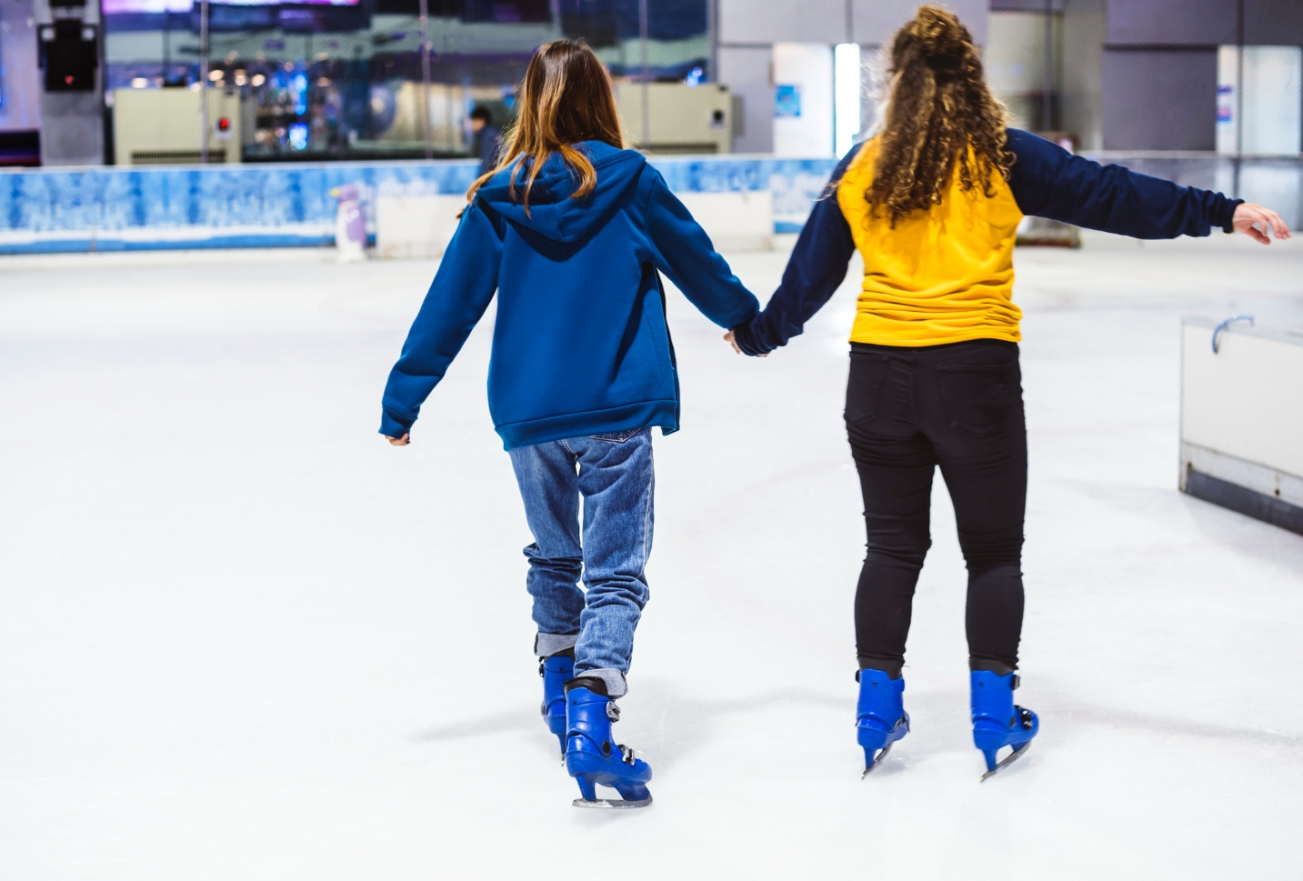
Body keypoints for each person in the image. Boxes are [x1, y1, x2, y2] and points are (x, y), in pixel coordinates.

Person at [727, 5, 1290, 780]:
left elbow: (806, 281)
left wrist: (757, 333)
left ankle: (874, 708)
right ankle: (992, 714)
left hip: (878, 382)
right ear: (970, 75)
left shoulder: (860, 166)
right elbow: (1111, 195)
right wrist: (1219, 211)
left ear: (894, 81)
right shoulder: (1000, 156)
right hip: (973, 379)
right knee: (991, 552)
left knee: (891, 547)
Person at [379, 39, 759, 807]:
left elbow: (447, 307)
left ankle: (559, 698)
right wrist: (745, 320)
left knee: (555, 558)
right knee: (613, 571)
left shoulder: (497, 197)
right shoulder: (631, 183)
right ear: (601, 98)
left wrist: (403, 397)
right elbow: (697, 262)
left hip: (530, 415)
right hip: (616, 405)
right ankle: (591, 710)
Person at [469, 105, 502, 177]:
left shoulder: (489, 136)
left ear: (481, 121)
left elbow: (487, 164)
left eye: (474, 121)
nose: (473, 125)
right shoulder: (492, 133)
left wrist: (479, 183)